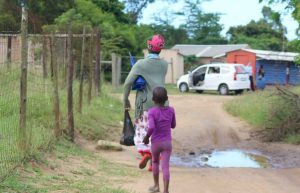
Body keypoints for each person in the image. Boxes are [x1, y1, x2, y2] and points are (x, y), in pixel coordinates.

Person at [123, 34, 168, 171]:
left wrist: (125, 100)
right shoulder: (164, 64)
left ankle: (147, 155)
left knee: (144, 132)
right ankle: (153, 162)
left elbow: (127, 83)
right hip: (163, 106)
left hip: (146, 105)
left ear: (148, 47)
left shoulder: (140, 64)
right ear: (160, 49)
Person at [143, 87, 176, 193]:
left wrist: (146, 137)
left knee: (155, 162)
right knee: (165, 166)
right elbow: (173, 125)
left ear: (153, 99)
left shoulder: (151, 112)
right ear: (166, 98)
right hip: (167, 143)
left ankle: (156, 186)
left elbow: (151, 127)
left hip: (156, 143)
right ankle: (166, 191)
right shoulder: (171, 110)